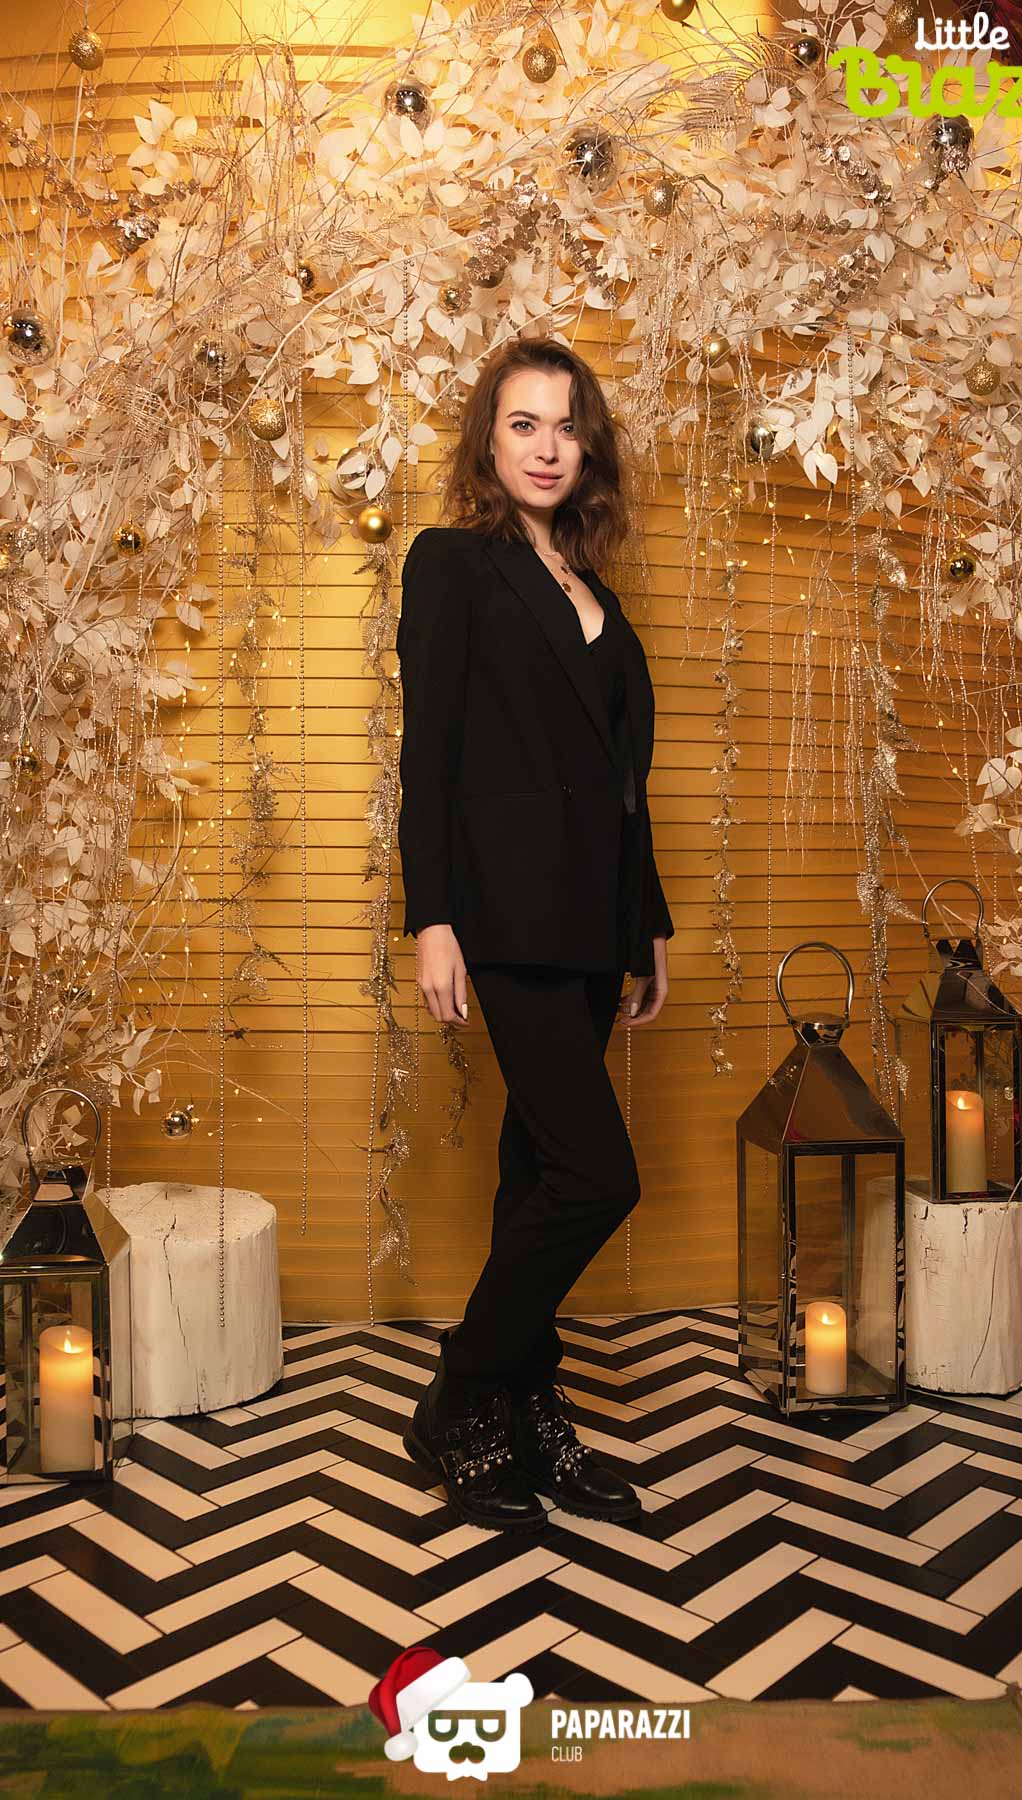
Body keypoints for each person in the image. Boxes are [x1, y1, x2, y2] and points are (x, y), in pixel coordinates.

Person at [395, 336, 674, 1534]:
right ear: (488, 440)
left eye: (566, 425)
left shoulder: (601, 595)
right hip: (505, 916)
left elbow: (625, 789)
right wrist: (433, 918)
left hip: (592, 924)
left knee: (534, 1182)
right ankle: (462, 1389)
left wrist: (646, 927)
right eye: (523, 423)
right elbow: (430, 758)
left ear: (588, 446)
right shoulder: (455, 565)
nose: (547, 447)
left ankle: (524, 1410)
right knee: (598, 1176)